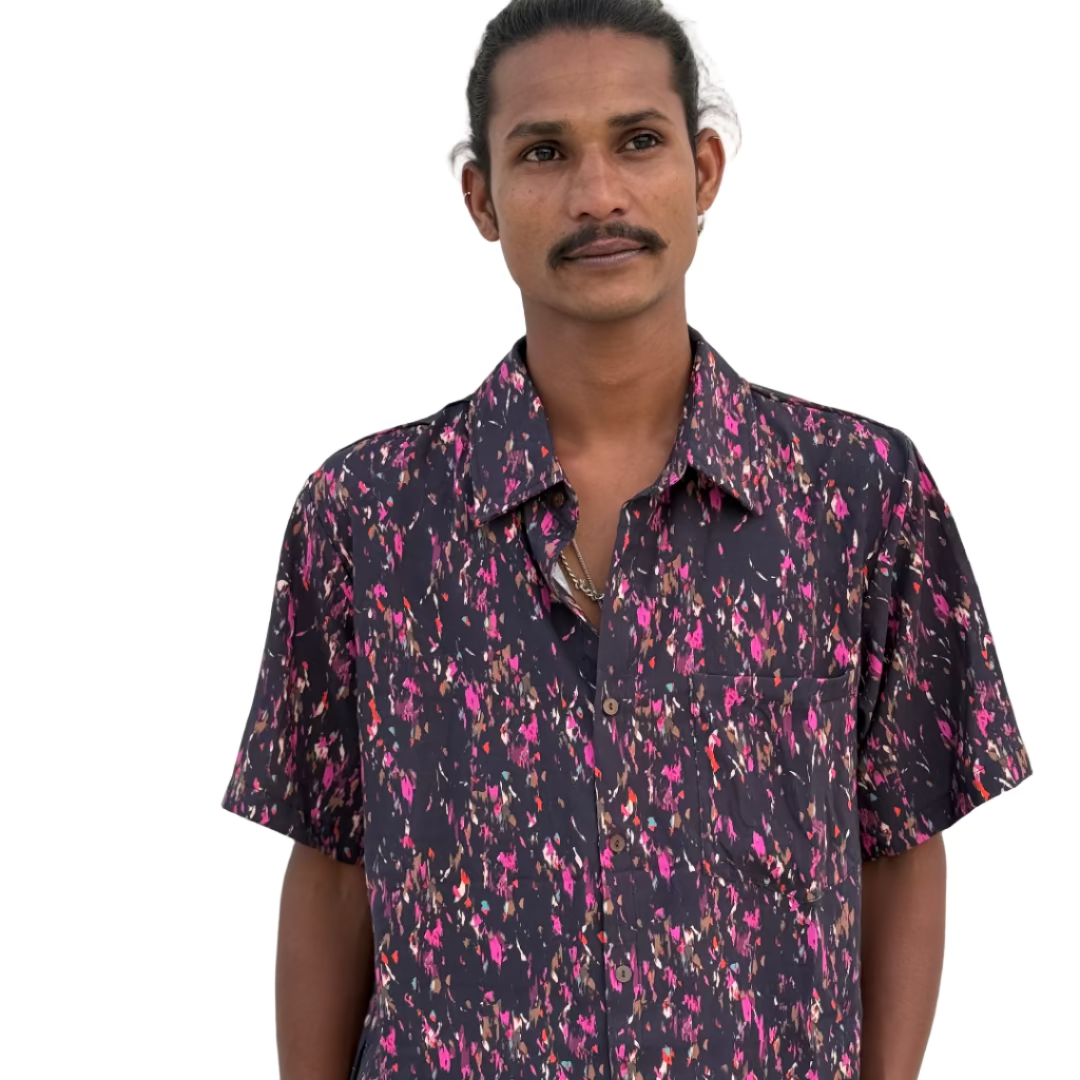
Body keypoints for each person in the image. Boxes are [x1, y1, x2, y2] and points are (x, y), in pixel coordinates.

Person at [220, 2, 1033, 1077]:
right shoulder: (367, 516)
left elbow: (900, 848)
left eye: (638, 140)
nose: (597, 194)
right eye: (544, 152)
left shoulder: (856, 496)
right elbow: (331, 876)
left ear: (704, 170)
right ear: (482, 198)